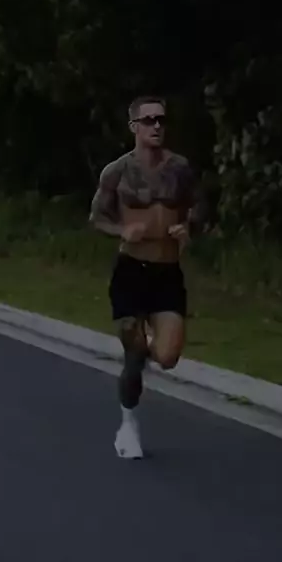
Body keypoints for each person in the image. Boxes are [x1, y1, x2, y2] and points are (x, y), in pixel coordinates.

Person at [89, 96, 203, 459]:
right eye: (149, 120)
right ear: (134, 127)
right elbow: (97, 217)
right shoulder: (117, 172)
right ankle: (128, 424)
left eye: (161, 120)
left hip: (167, 272)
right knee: (134, 355)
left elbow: (199, 207)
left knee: (167, 357)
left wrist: (189, 227)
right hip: (131, 271)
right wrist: (122, 230)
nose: (156, 126)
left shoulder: (180, 168)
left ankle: (148, 341)